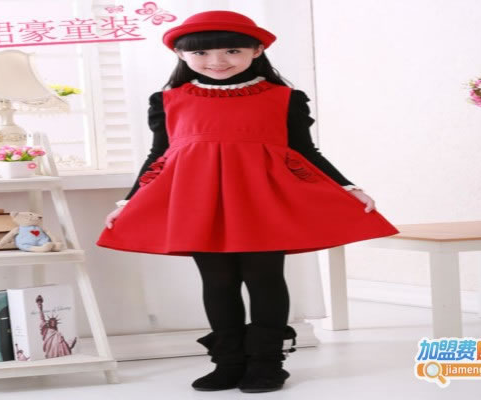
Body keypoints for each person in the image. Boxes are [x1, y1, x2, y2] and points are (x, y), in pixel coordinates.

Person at [96, 10, 399, 393]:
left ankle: (267, 363)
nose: (217, 61)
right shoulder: (169, 100)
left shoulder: (283, 98)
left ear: (256, 51)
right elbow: (158, 157)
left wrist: (348, 188)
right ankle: (228, 363)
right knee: (218, 282)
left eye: (232, 51)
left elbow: (306, 153)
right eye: (201, 53)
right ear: (181, 55)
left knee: (264, 279)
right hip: (199, 203)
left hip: (262, 202)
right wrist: (128, 203)